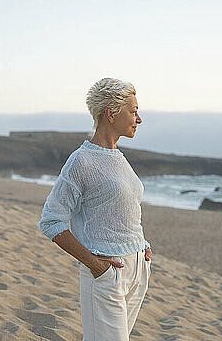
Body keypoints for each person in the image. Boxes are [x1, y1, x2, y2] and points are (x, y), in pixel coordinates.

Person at [38, 77, 153, 340]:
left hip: (137, 270)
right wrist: (93, 263)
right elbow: (50, 221)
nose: (139, 118)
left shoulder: (120, 159)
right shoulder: (82, 161)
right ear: (111, 113)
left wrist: (141, 244)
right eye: (133, 111)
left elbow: (123, 209)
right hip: (106, 272)